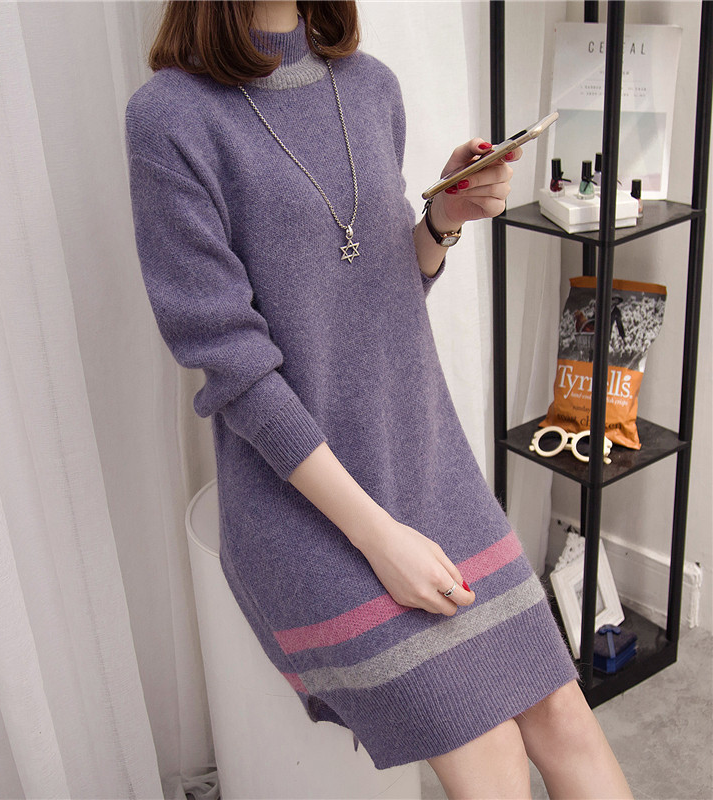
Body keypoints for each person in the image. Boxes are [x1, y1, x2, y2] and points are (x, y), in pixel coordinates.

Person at [125, 1, 634, 797]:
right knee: (491, 754)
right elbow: (234, 368)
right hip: (300, 508)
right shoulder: (170, 118)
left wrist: (442, 220)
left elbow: (379, 294)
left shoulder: (370, 87)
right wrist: (380, 539)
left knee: (566, 718)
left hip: (427, 470)